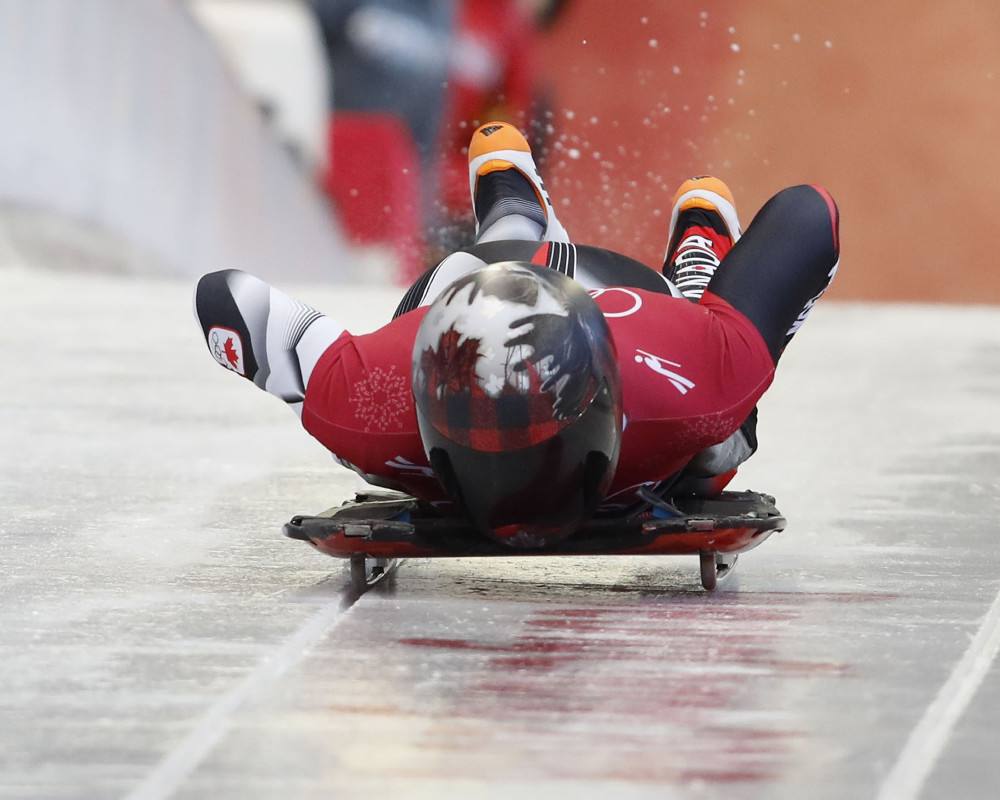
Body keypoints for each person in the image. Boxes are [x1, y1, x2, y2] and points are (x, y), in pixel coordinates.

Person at [194, 121, 840, 548]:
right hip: (474, 296)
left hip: (650, 309)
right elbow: (226, 299)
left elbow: (810, 217)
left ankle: (696, 257)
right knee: (712, 439)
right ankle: (515, 213)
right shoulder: (371, 400)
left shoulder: (693, 380)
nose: (512, 480)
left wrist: (730, 319)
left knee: (720, 444)